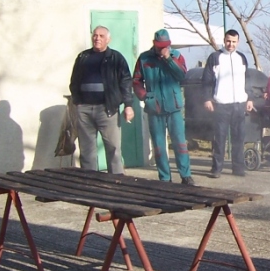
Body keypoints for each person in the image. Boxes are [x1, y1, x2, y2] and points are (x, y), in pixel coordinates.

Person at [69, 25, 135, 174]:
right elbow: (74, 81)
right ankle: (90, 184)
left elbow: (125, 81)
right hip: (84, 109)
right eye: (95, 35)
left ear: (108, 39)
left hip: (107, 109)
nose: (97, 38)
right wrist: (77, 101)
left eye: (101, 36)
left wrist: (128, 105)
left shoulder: (115, 58)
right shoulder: (83, 57)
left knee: (113, 149)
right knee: (87, 151)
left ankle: (116, 182)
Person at [133, 29, 195, 185]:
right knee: (159, 146)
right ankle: (165, 178)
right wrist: (145, 97)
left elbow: (182, 76)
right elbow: (136, 81)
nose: (162, 49)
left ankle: (185, 175)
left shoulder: (177, 56)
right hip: (154, 108)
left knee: (180, 143)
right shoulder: (144, 58)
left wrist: (168, 59)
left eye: (165, 46)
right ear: (154, 44)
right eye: (160, 46)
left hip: (174, 106)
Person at [202, 29, 253, 178]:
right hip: (221, 104)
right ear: (224, 40)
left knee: (239, 138)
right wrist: (207, 99)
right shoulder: (215, 57)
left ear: (238, 42)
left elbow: (247, 79)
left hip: (239, 104)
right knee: (220, 138)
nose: (231, 44)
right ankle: (216, 169)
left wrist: (249, 98)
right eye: (228, 41)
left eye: (234, 42)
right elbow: (206, 80)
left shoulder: (242, 58)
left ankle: (238, 168)